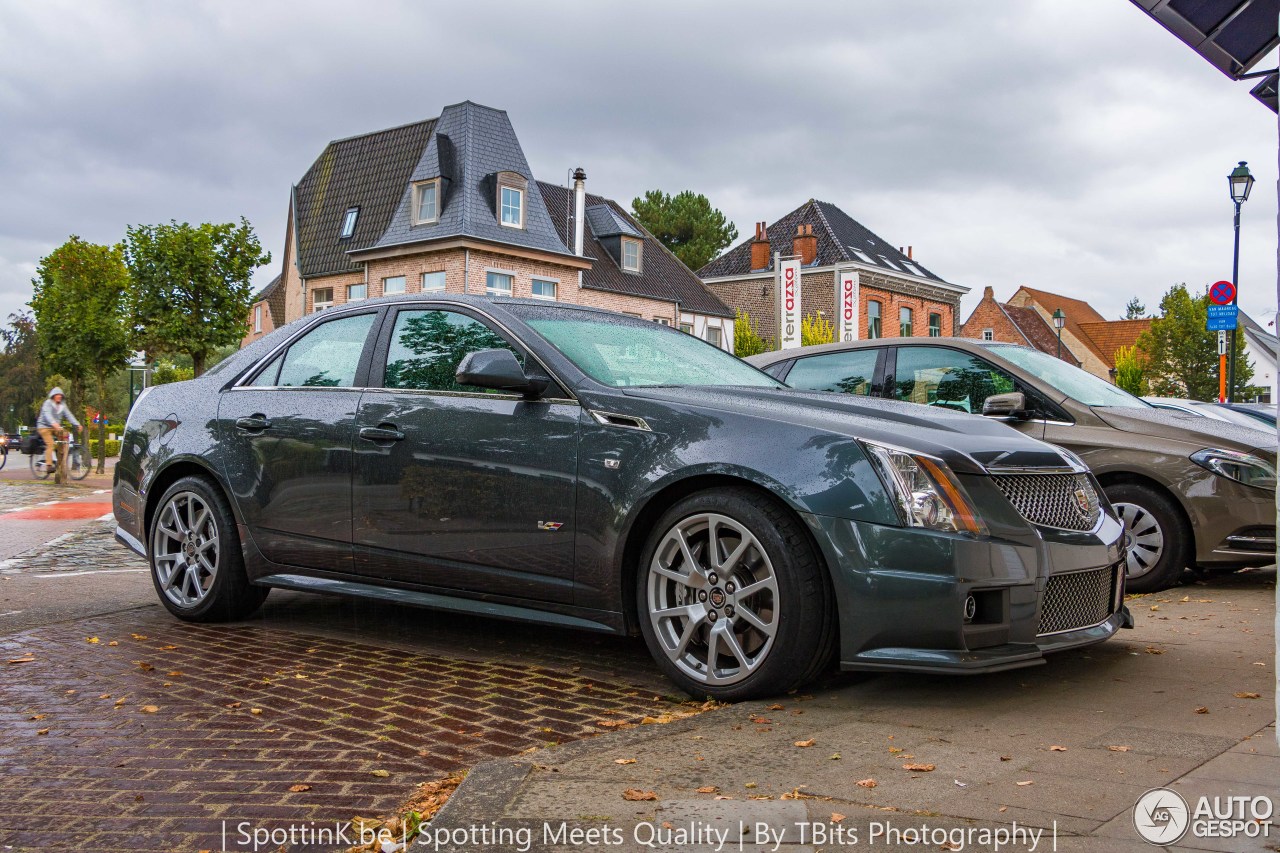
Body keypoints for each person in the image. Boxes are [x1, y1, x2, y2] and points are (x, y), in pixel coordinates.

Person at [37, 387, 80, 472]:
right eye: (57, 395)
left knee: (65, 436)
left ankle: (60, 461)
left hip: (55, 427)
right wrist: (54, 423)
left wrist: (77, 424)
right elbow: (47, 415)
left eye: (60, 395)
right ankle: (49, 465)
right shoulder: (48, 403)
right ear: (53, 396)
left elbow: (69, 415)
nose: (59, 396)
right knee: (51, 444)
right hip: (44, 427)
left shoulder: (63, 405)